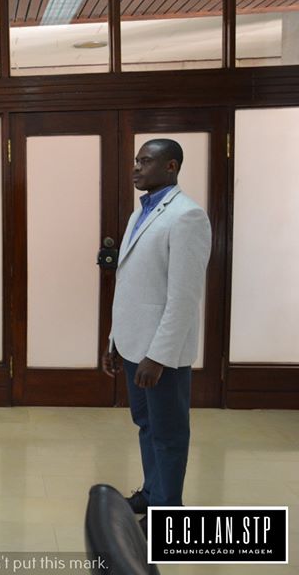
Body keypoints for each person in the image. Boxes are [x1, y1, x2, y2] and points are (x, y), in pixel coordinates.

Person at [101, 138, 211, 527]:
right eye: (136, 160)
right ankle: (152, 494)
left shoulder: (187, 216)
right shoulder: (139, 214)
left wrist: (158, 356)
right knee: (146, 425)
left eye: (146, 161)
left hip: (159, 355)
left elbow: (183, 298)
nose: (136, 167)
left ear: (172, 167)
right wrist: (115, 340)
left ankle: (168, 511)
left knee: (168, 432)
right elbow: (132, 285)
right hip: (133, 345)